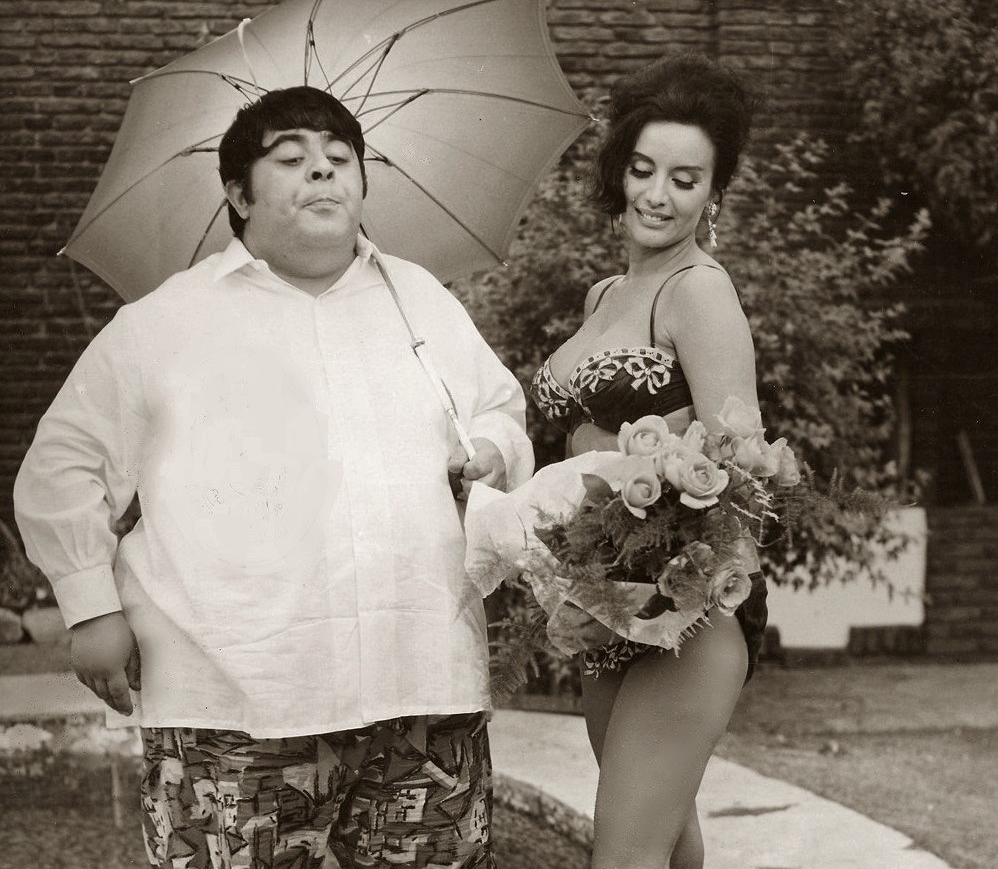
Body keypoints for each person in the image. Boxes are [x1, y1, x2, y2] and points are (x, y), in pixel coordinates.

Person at [14, 85, 533, 869]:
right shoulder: (167, 322)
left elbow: (500, 408)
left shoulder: (419, 303)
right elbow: (64, 463)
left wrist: (490, 448)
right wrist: (90, 608)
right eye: (290, 159)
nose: (322, 172)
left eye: (339, 158)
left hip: (423, 687)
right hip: (235, 699)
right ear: (238, 194)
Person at [529, 53, 768, 869]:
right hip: (605, 604)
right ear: (618, 170)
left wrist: (676, 575)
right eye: (642, 169)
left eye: (684, 179)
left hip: (684, 612)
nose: (657, 195)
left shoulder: (698, 291)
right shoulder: (604, 295)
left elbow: (741, 467)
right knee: (666, 847)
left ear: (713, 194)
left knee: (625, 853)